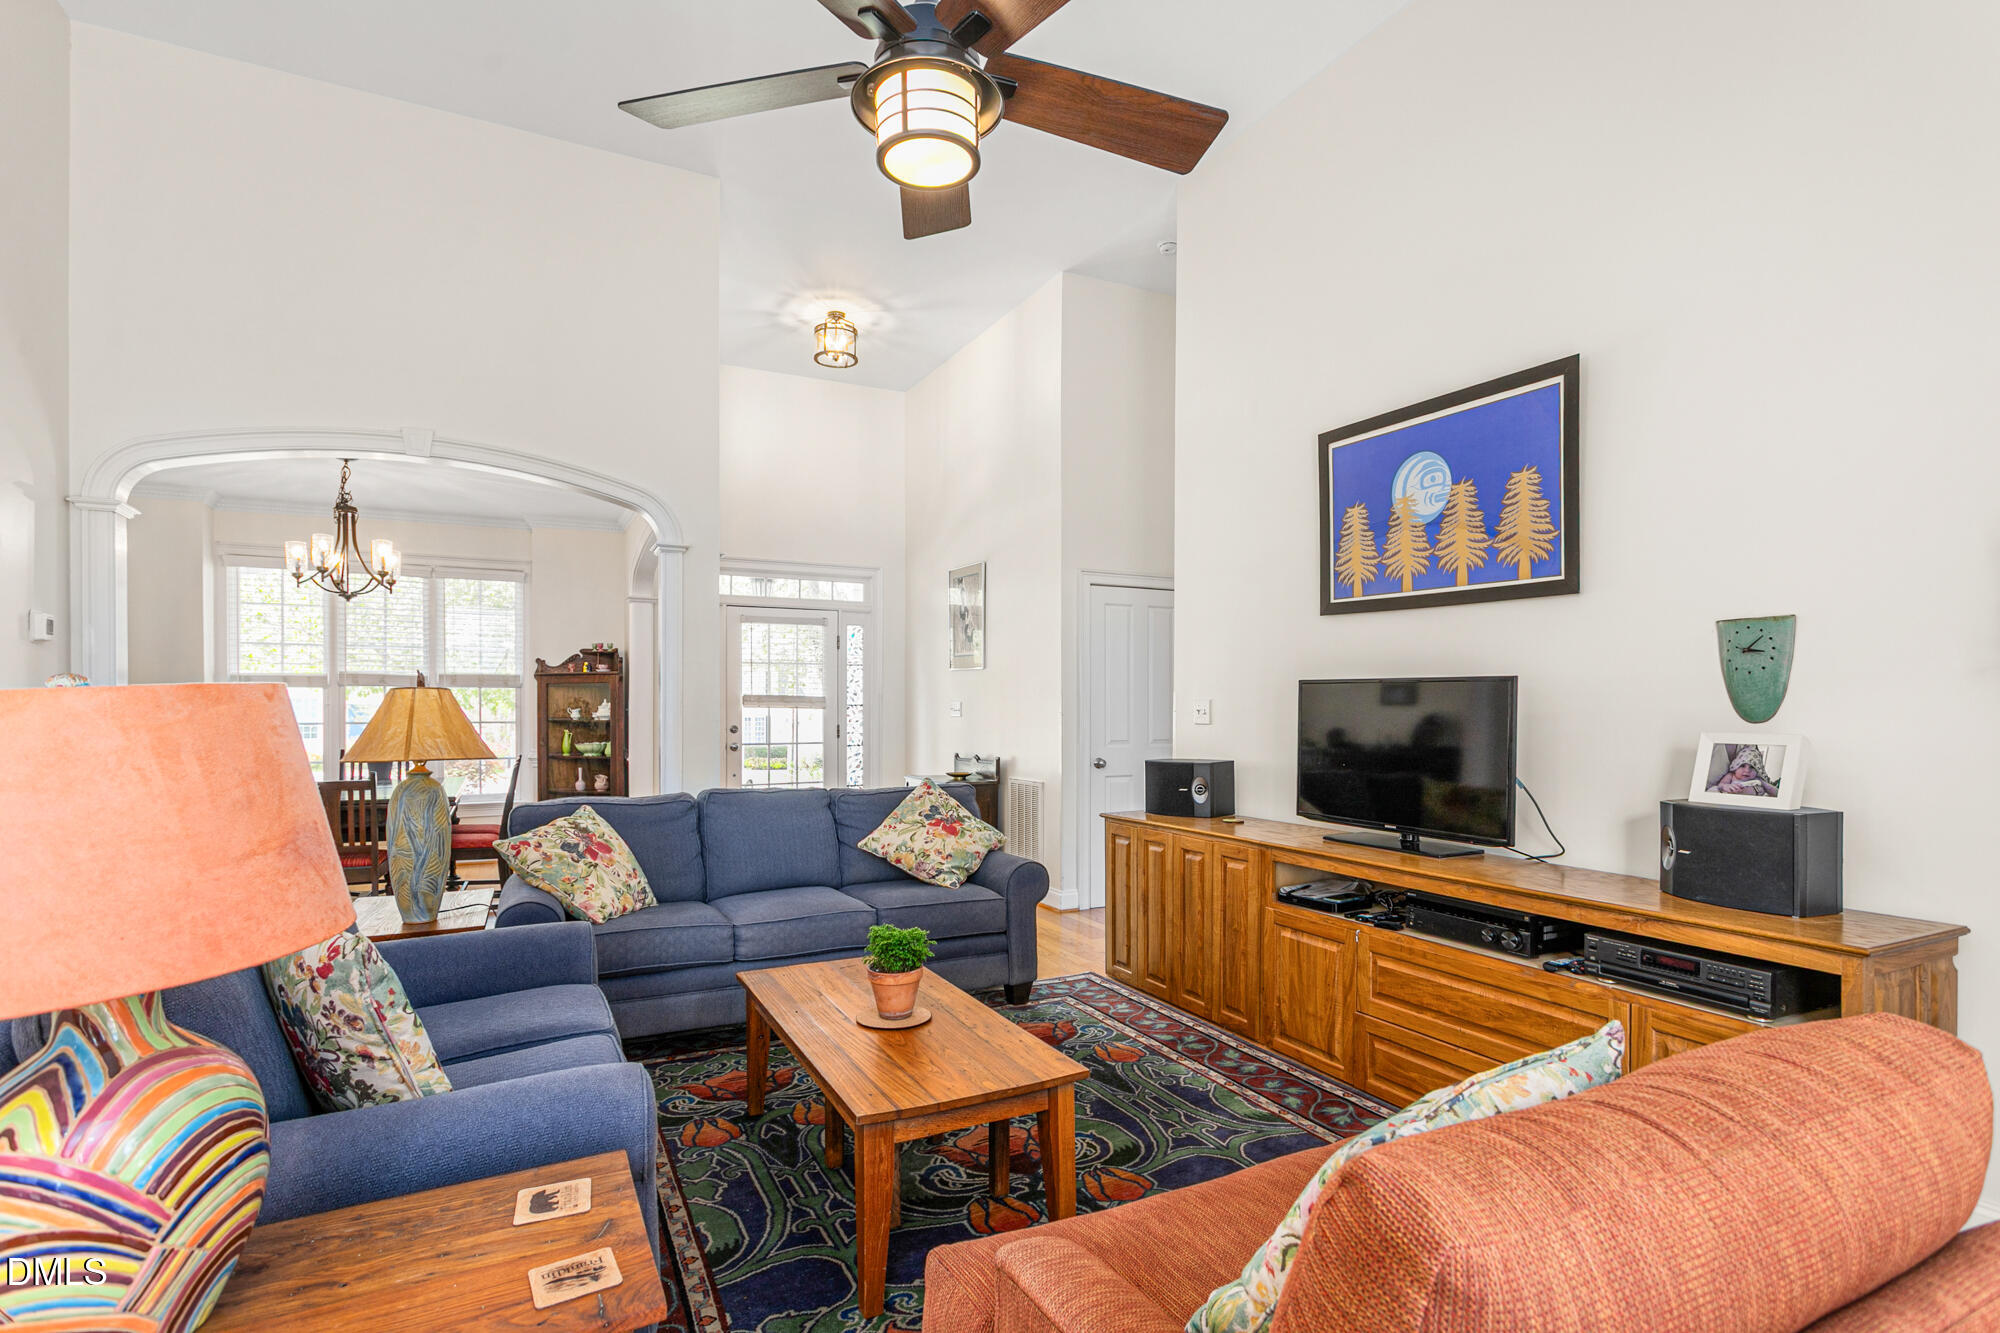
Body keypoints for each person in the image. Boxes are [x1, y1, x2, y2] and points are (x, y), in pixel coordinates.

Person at [1708, 744, 1779, 798]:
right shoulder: (1731, 776)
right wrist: (1725, 786)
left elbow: (1772, 790)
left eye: (1752, 767)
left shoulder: (1757, 779)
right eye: (1742, 766)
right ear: (1735, 767)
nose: (1747, 770)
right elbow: (1721, 785)